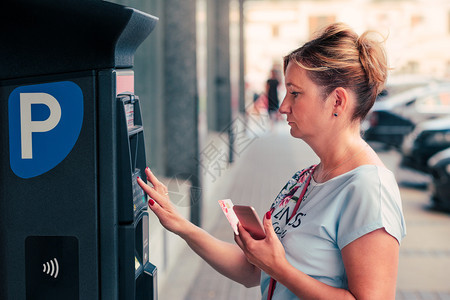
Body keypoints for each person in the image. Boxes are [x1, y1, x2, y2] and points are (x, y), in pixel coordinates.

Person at [137, 22, 406, 300]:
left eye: (295, 93)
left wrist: (279, 267)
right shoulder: (306, 179)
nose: (284, 105)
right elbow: (252, 270)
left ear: (337, 101)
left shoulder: (369, 189)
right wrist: (180, 224)